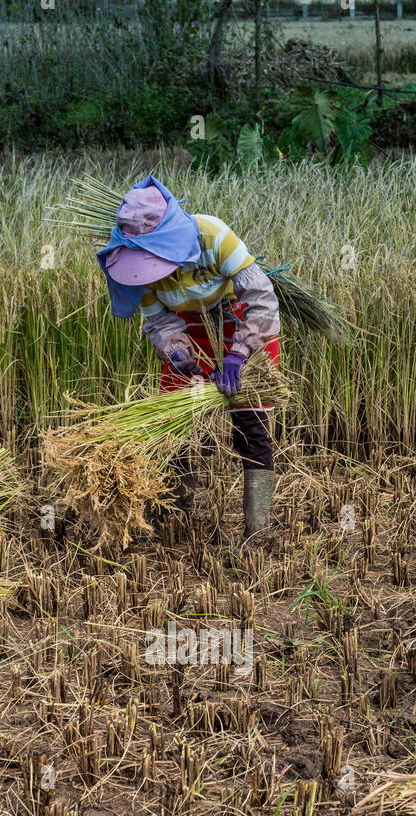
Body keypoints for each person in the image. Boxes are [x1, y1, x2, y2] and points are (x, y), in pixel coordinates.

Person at [98, 176, 280, 543]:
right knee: (174, 431)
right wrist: (176, 351)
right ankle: (175, 522)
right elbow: (158, 321)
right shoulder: (134, 269)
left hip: (240, 319)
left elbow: (261, 297)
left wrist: (239, 353)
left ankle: (257, 530)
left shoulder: (212, 235)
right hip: (188, 328)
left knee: (250, 426)